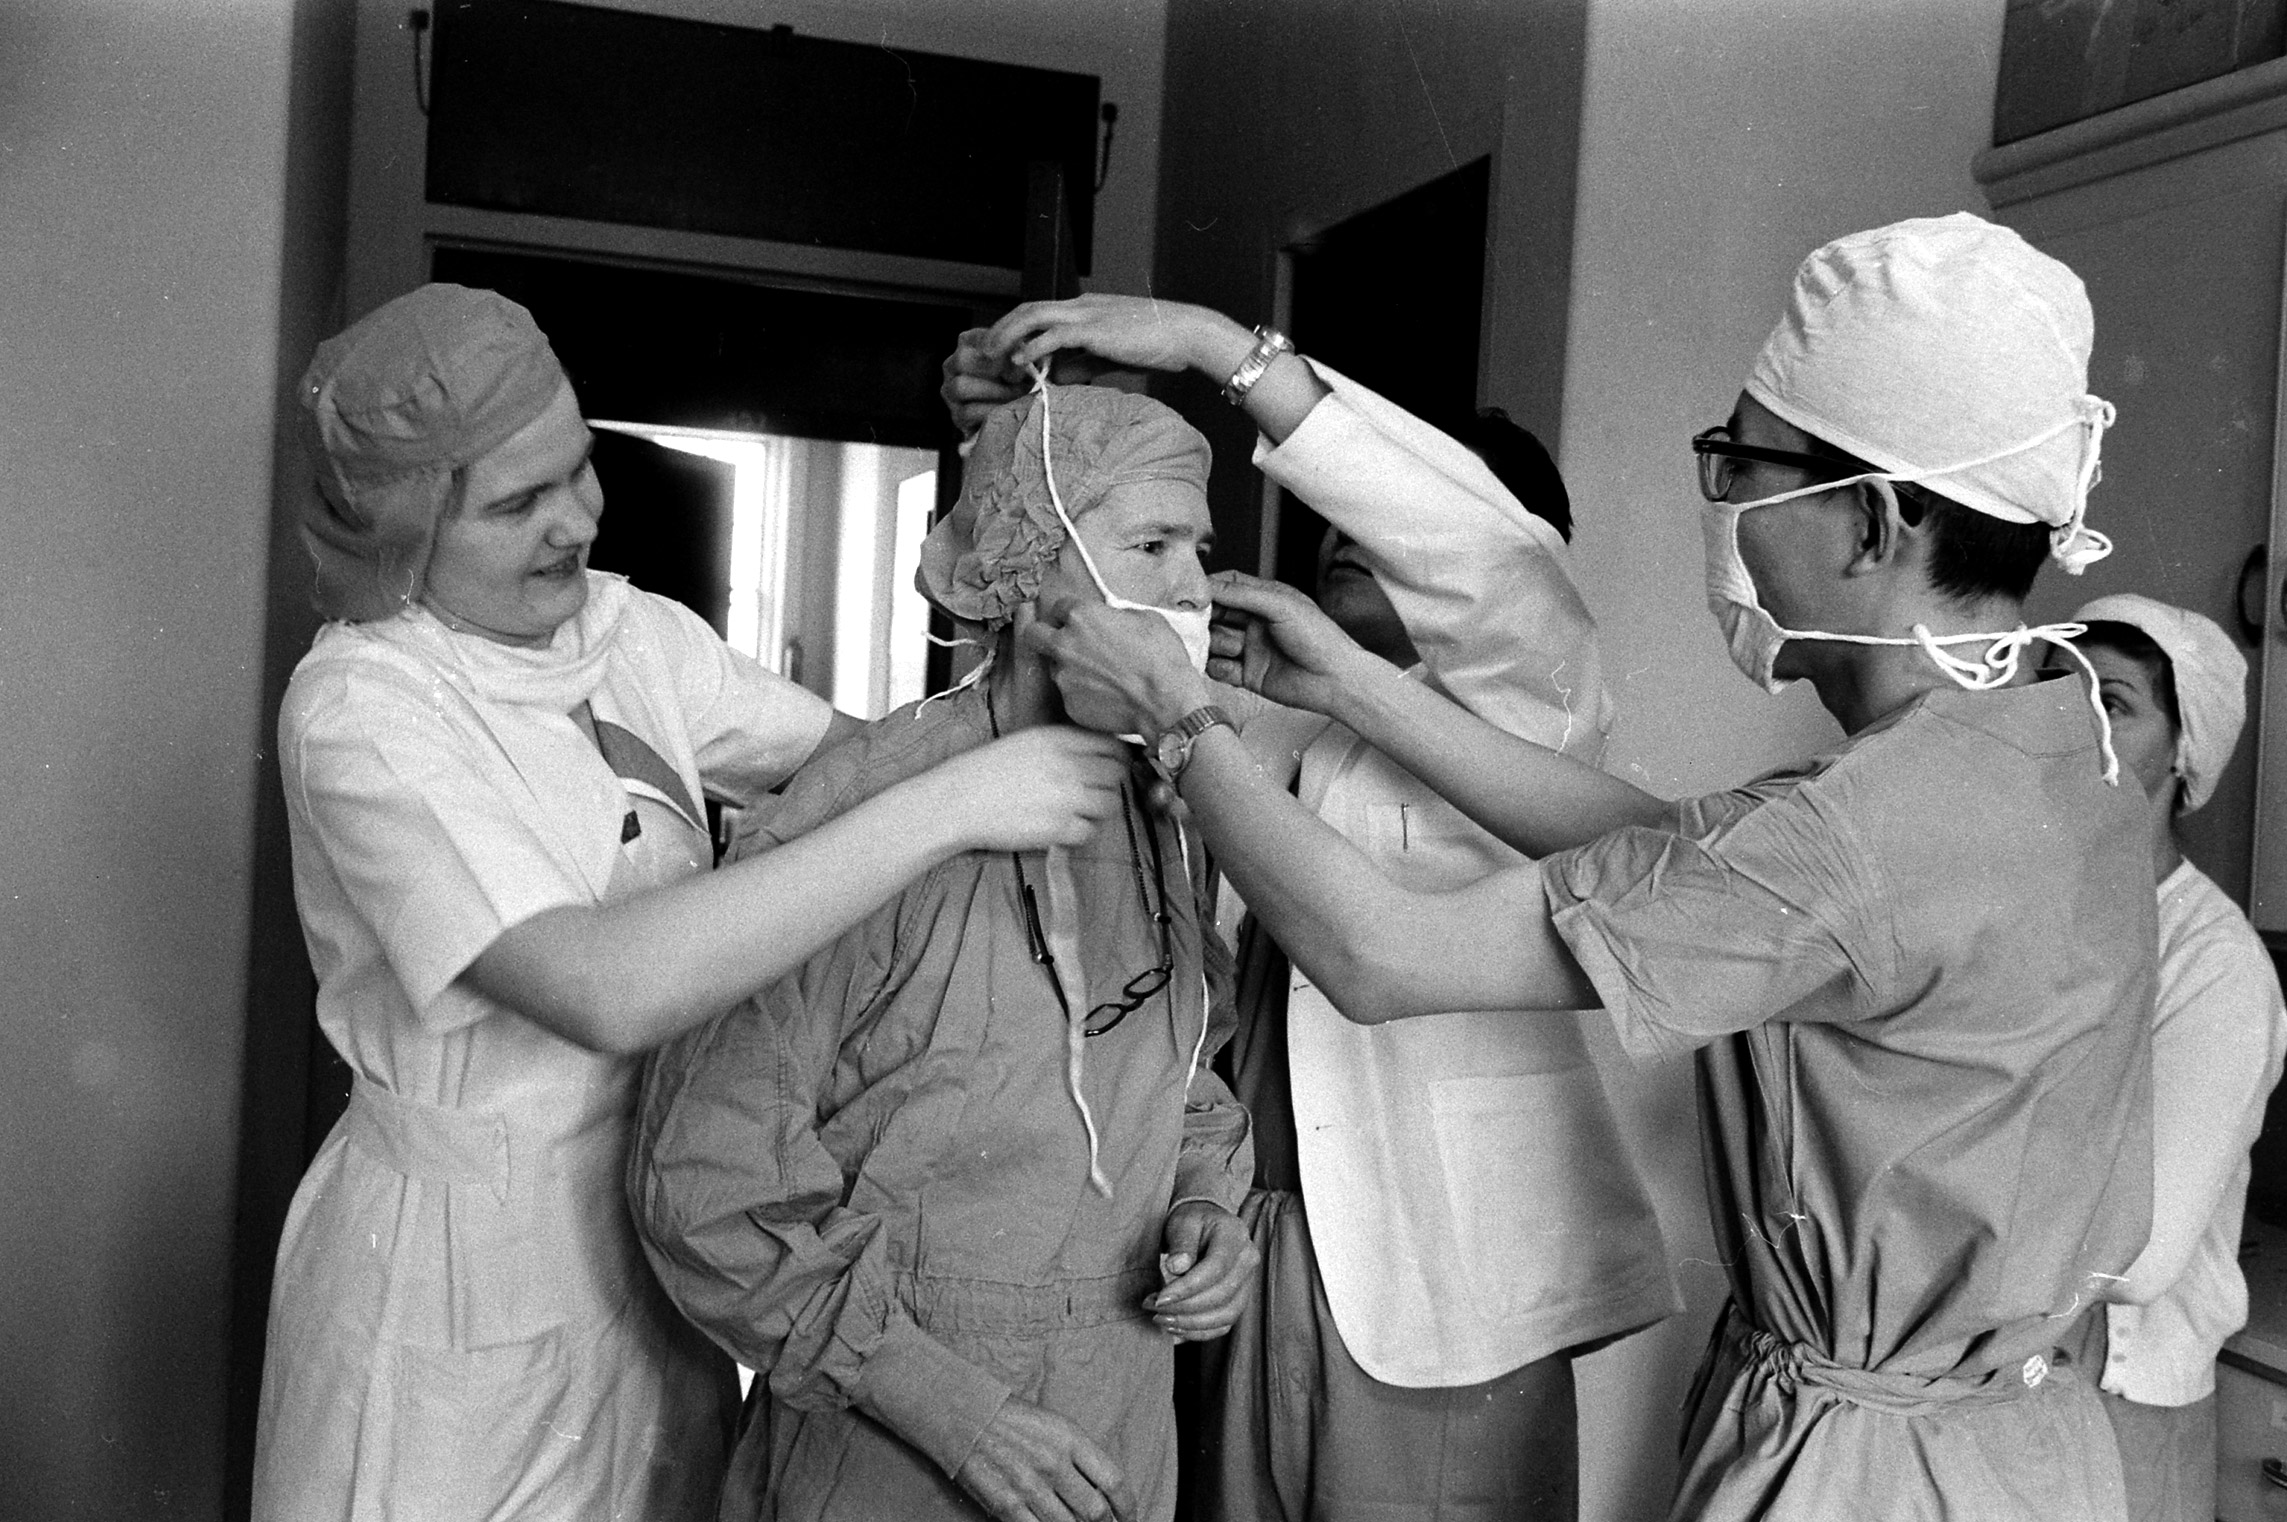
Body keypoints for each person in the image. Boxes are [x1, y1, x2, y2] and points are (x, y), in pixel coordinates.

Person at [1022, 214, 2160, 1520]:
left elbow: (1379, 957)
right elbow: (1682, 854)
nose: (1721, 510)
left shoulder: (1864, 831)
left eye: (1742, 467)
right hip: (2021, 1444)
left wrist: (1174, 716)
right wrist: (1352, 686)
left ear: (1872, 522)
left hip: (1874, 1472)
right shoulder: (2049, 741)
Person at [249, 284, 1128, 1522]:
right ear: (401, 532)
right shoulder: (362, 707)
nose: (574, 521)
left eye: (577, 468)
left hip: (665, 1244)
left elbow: (871, 764)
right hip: (450, 1276)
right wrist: (955, 805)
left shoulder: (628, 635)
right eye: (515, 503)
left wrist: (1016, 484)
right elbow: (603, 986)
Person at [945, 295, 1676, 1521]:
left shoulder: (1538, 709)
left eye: (1383, 517)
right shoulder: (1252, 714)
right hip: (1228, 1253)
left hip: (1440, 1292)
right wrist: (1010, 434)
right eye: (1339, 514)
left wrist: (1206, 346)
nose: (1345, 531)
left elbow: (1492, 562)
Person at [627, 381, 1258, 1522]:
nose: (1191, 592)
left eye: (1198, 552)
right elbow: (705, 1181)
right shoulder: (865, 815)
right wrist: (940, 1401)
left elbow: (1178, 1066)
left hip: (1114, 1424)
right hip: (888, 1442)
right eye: (1151, 545)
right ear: (1028, 571)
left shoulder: (1163, 811)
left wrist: (1205, 1207)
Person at [2050, 595, 2286, 1522]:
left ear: (2183, 751)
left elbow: (2137, 1252)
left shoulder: (2214, 964)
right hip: (2003, 1380)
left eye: (2111, 701)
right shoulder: (2027, 918)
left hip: (2120, 1397)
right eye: (2052, 688)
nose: (2070, 721)